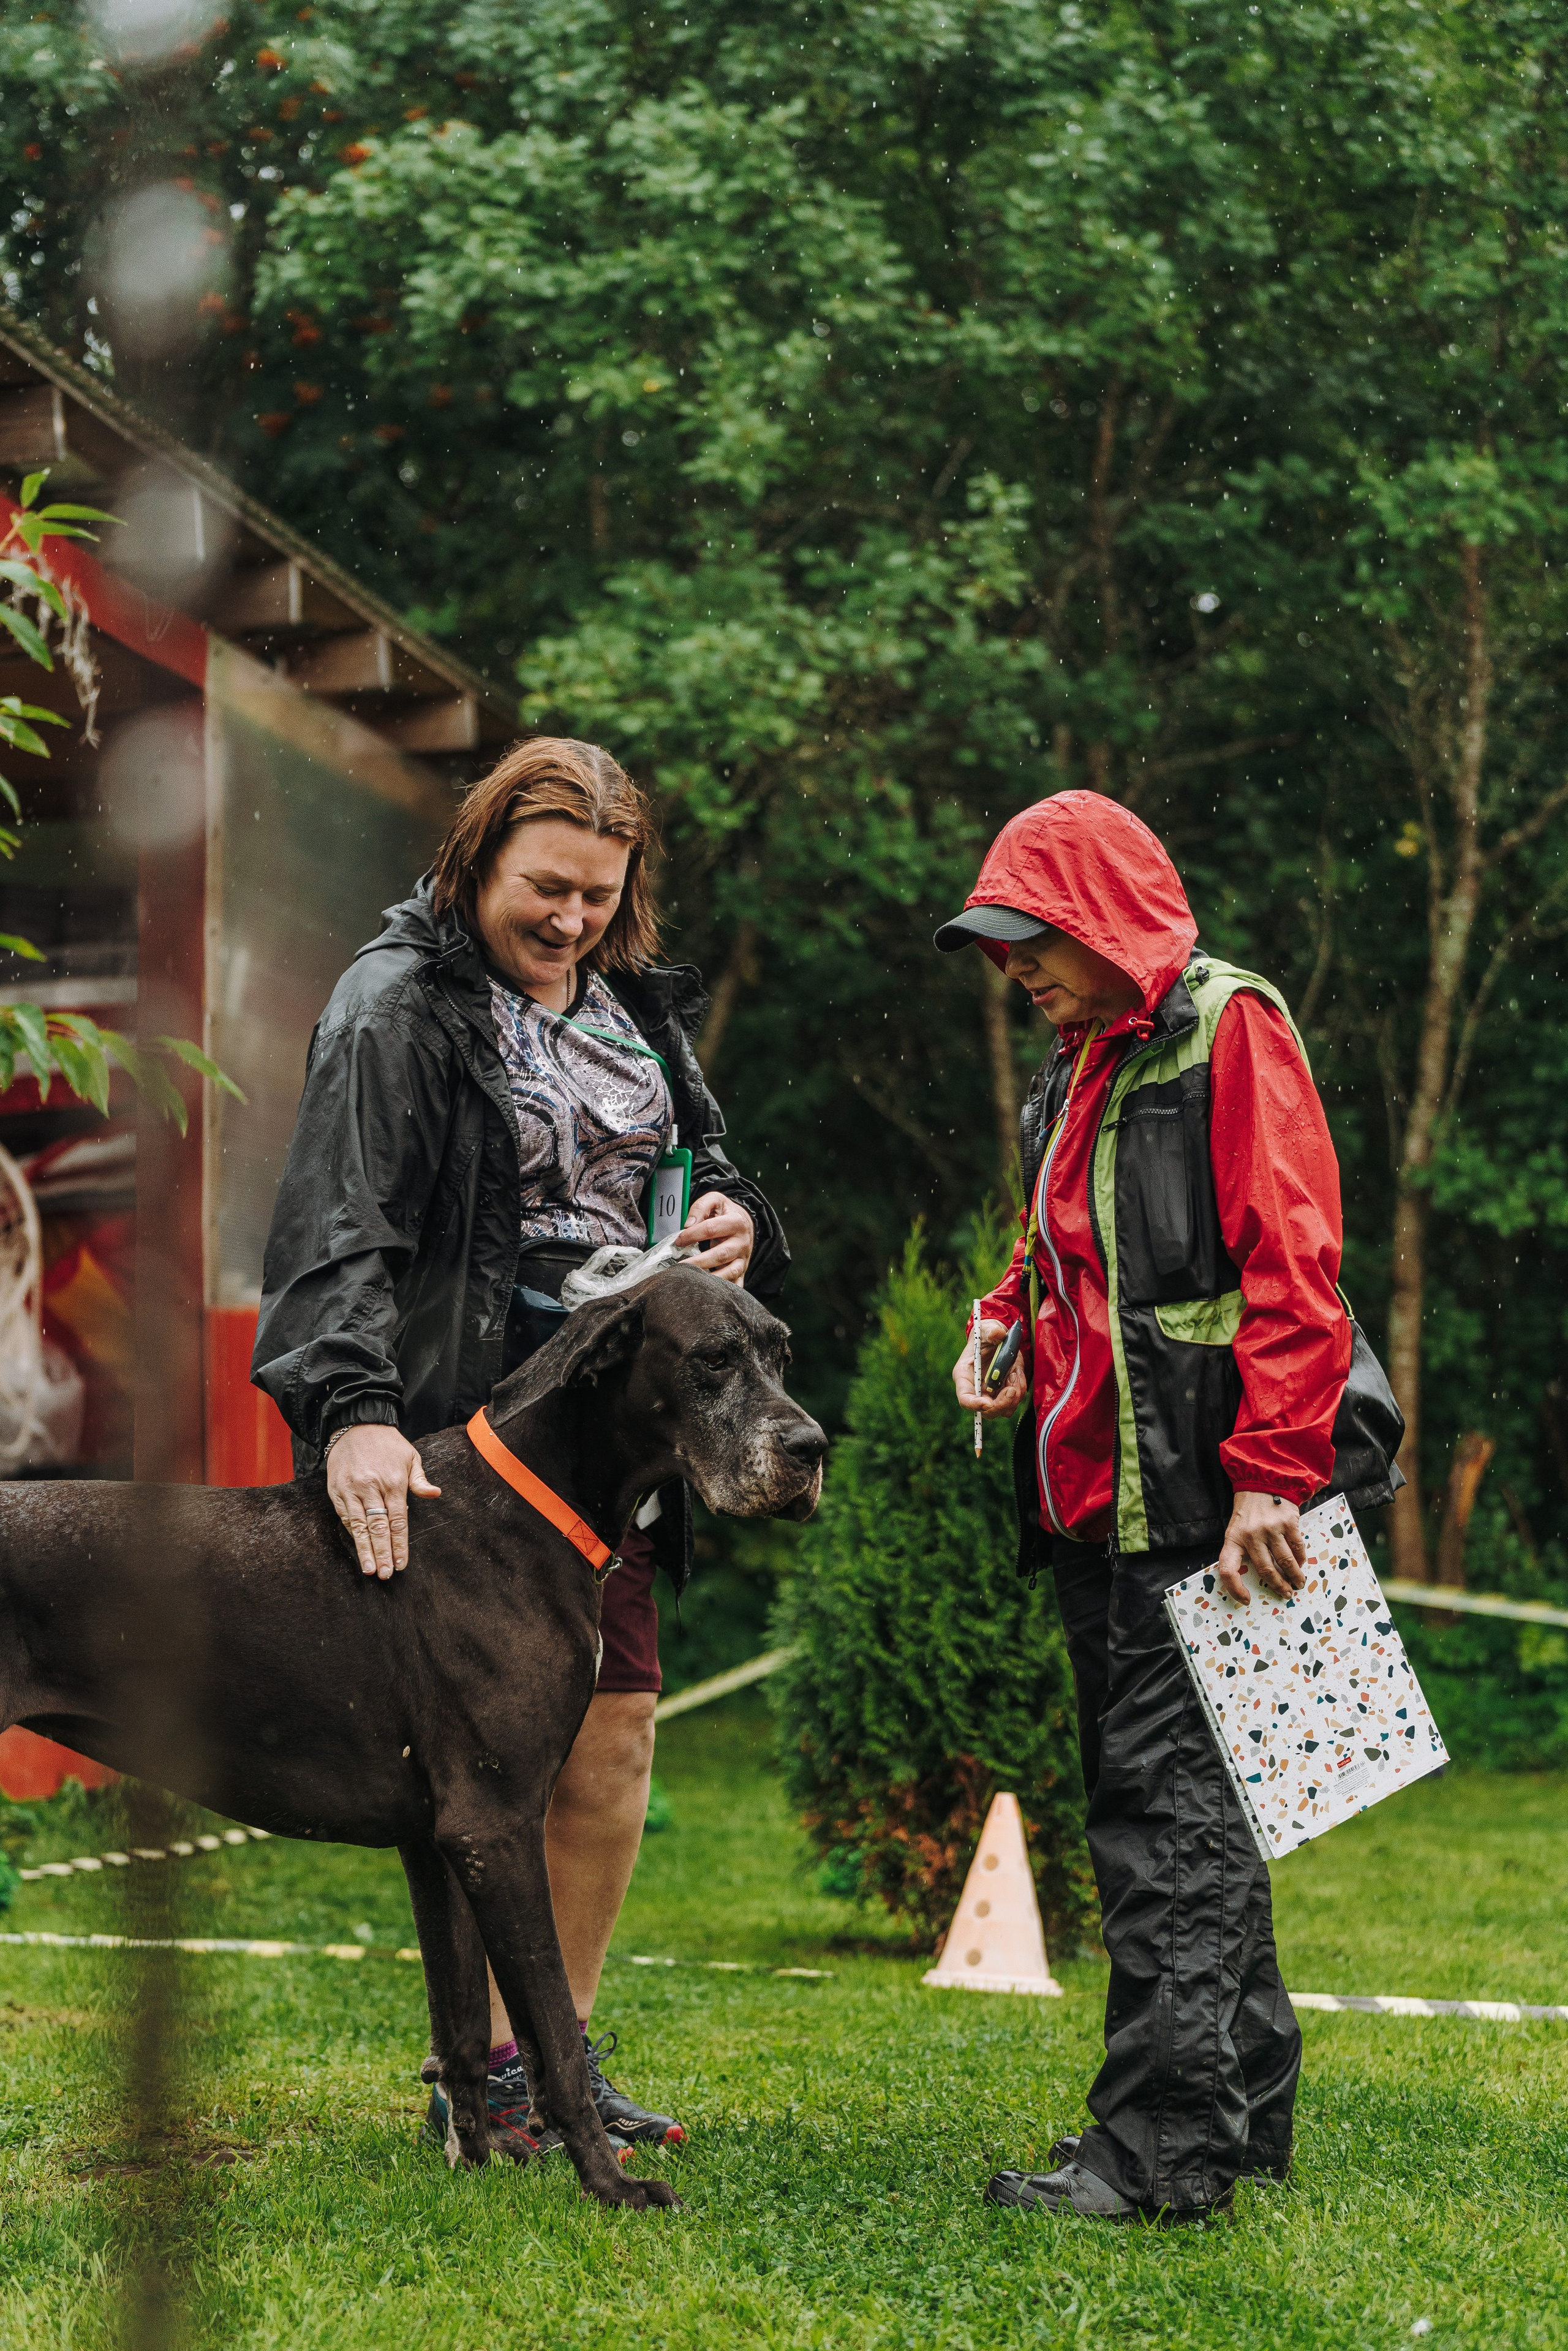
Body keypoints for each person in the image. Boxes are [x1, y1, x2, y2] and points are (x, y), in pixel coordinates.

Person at [252, 736, 787, 2162]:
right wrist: (353, 1408)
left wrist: (735, 1214)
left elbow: (697, 1156)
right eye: (544, 887)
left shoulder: (632, 1006)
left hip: (619, 1432)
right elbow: (335, 1224)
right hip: (468, 1427)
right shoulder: (396, 1005)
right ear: (475, 854)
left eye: (597, 895)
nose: (569, 919)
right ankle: (481, 2074)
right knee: (477, 1764)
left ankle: (555, 2062)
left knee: (614, 1734)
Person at [939, 790, 1401, 2222]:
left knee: (1168, 1822)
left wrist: (1271, 1475)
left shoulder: (1225, 1024)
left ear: (1100, 915)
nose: (1014, 965)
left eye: (1030, 937)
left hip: (1208, 1500)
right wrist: (999, 1320)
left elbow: (1293, 1260)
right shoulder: (1079, 1056)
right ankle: (1238, 2114)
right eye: (1000, 943)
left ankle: (1157, 2155)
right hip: (1094, 1500)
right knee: (1192, 1814)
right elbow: (1059, 1242)